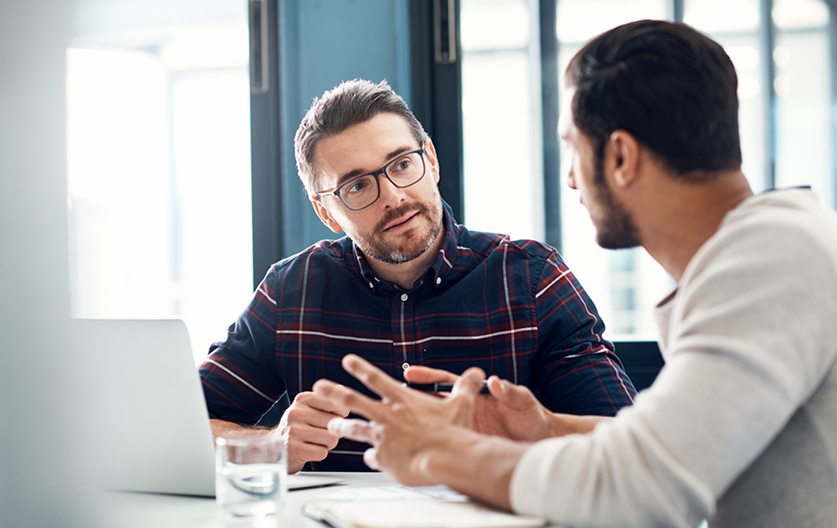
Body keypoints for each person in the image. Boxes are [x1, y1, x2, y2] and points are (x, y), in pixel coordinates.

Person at [312, 20, 837, 527]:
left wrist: (443, 455)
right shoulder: (770, 252)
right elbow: (674, 446)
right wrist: (546, 427)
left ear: (621, 158)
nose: (568, 179)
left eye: (572, 146)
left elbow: (642, 486)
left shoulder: (772, 261)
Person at [199, 79, 636, 473]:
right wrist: (269, 446)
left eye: (402, 164)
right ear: (325, 212)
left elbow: (627, 446)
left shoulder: (533, 278)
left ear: (431, 159)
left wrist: (531, 431)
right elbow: (182, 428)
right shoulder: (289, 292)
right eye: (357, 186)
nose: (393, 195)